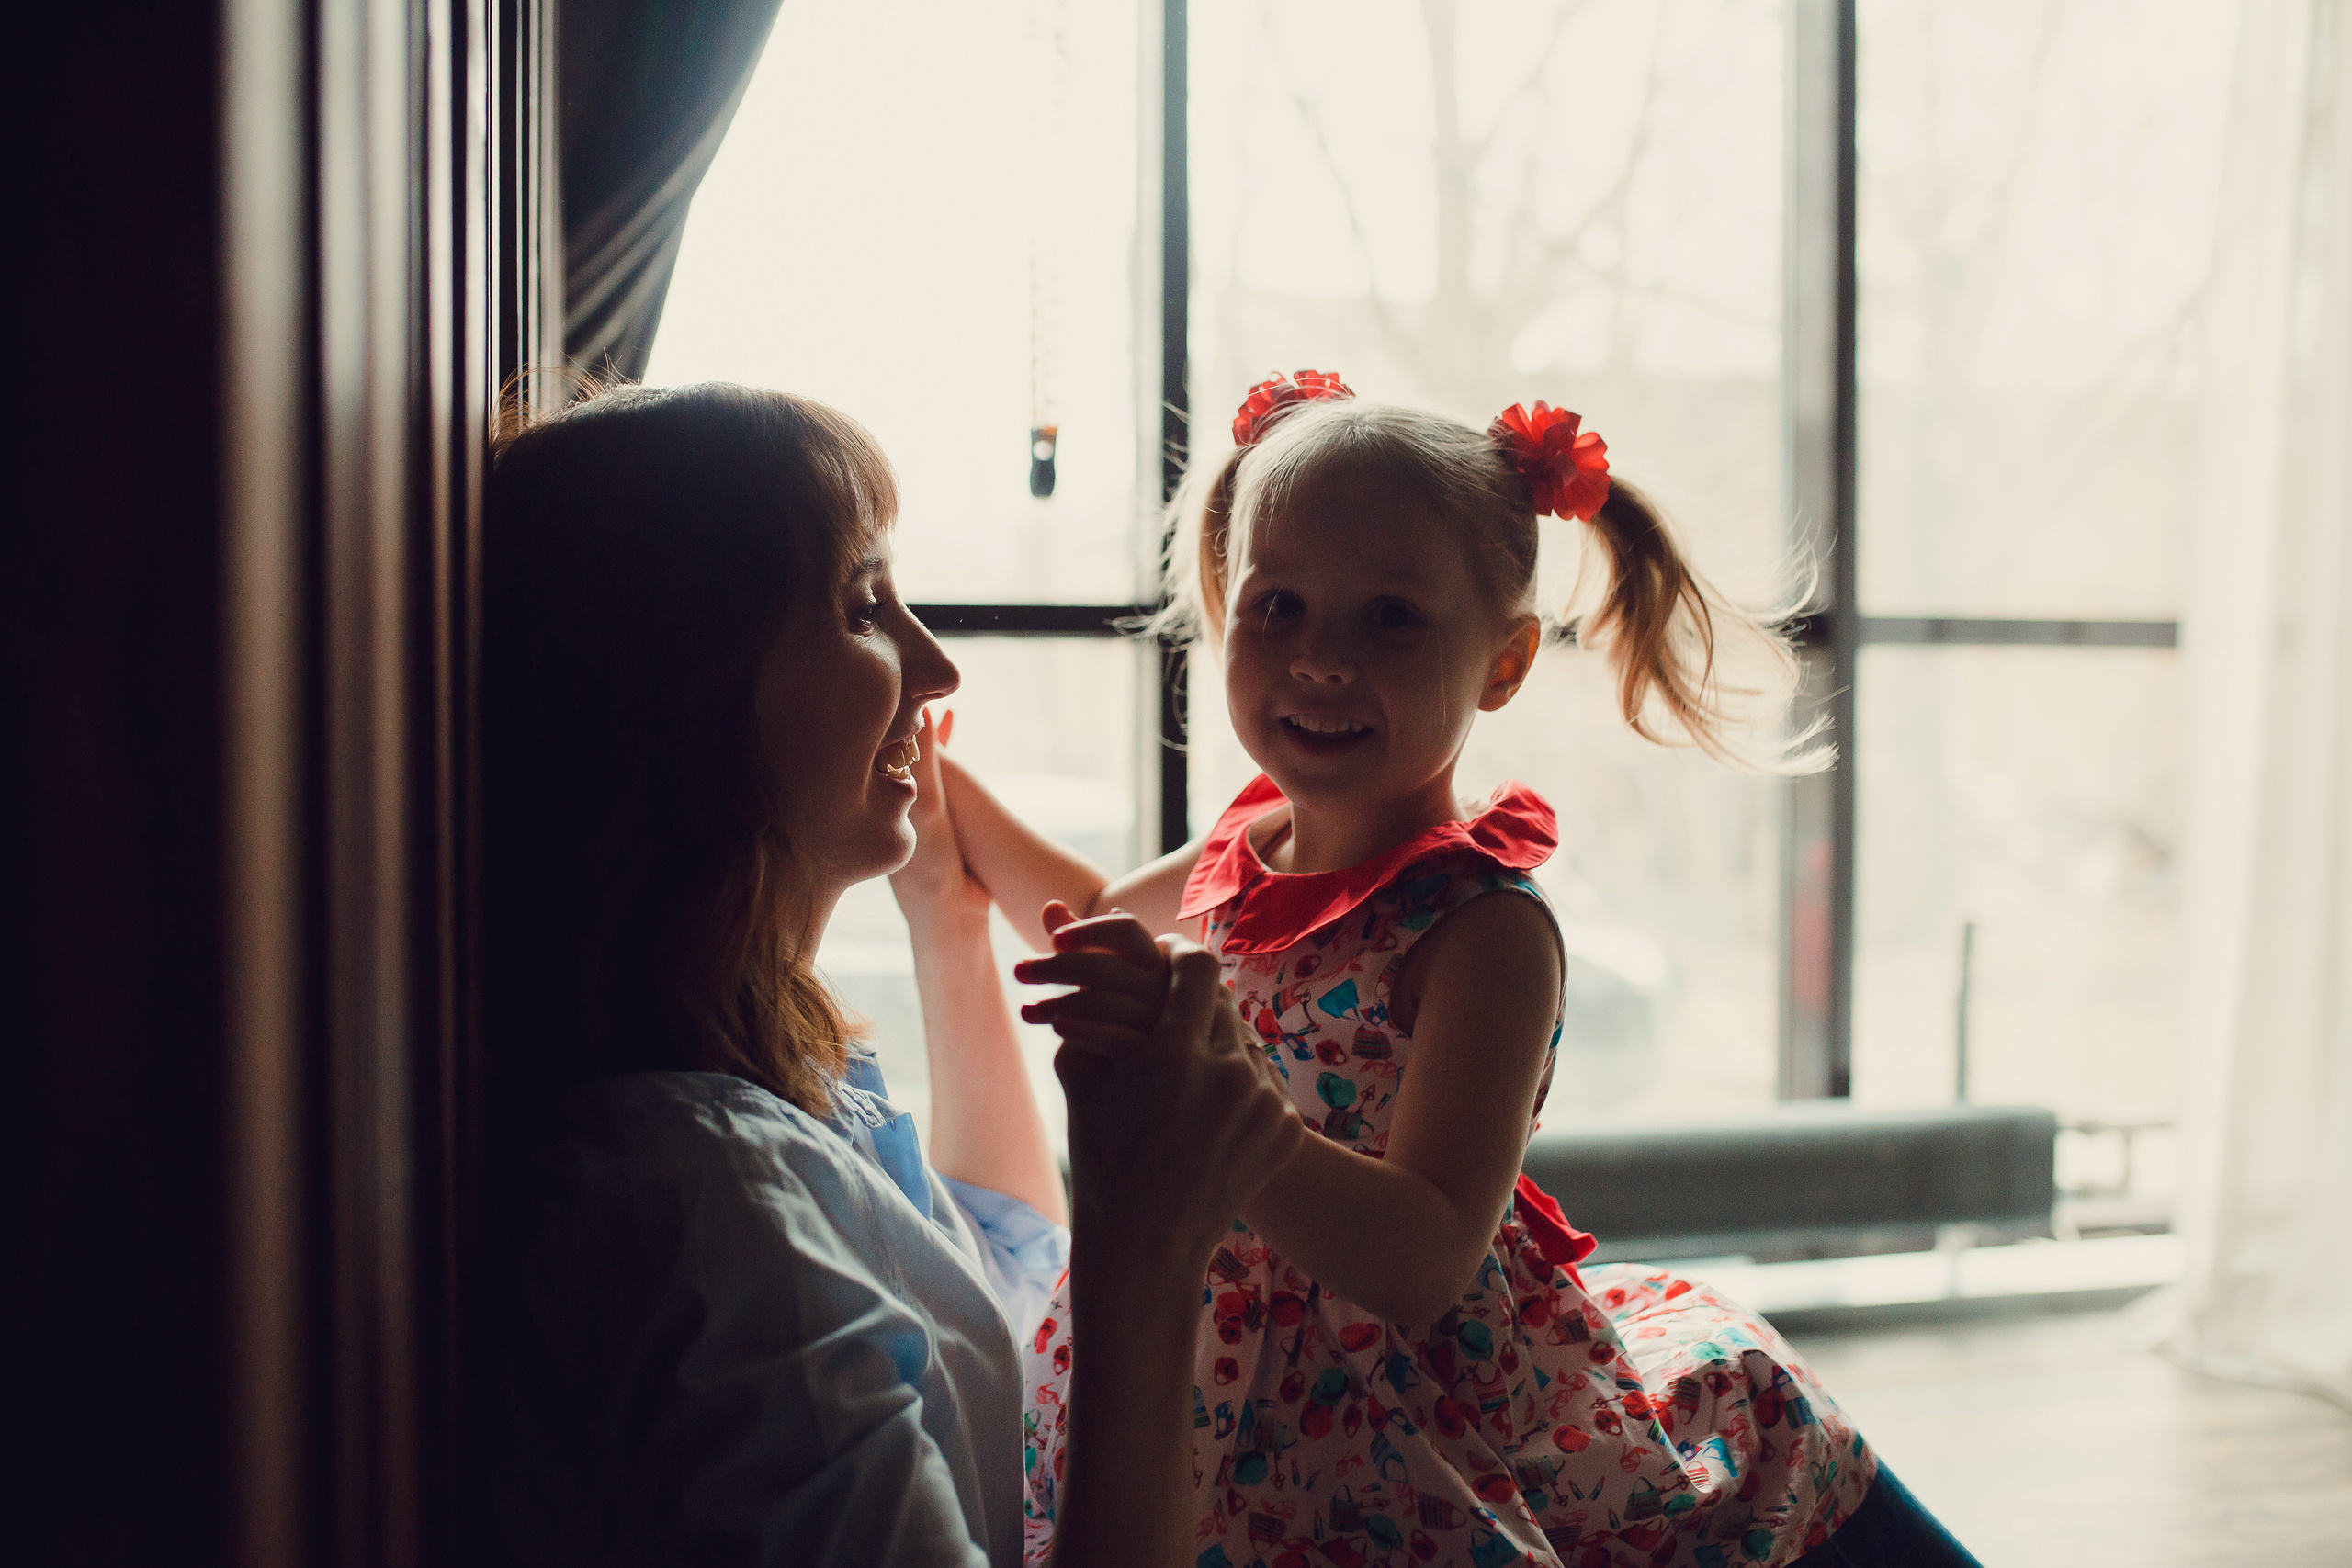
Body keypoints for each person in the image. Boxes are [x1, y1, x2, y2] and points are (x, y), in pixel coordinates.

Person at [932, 373, 1984, 1567]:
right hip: (1197, 1364)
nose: (1319, 659)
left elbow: (1428, 1254)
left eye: (1389, 617)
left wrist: (1238, 1130)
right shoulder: (1239, 843)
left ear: (1506, 662)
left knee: (1753, 1412)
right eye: (1279, 606)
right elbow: (1091, 926)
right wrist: (944, 795)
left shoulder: (1481, 929)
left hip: (1395, 1406)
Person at [472, 379, 1306, 1568]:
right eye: (866, 607)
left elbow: (990, 1266)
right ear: (692, 688)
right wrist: (1151, 1252)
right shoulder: (705, 1217)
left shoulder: (778, 1077)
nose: (934, 668)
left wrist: (952, 929)